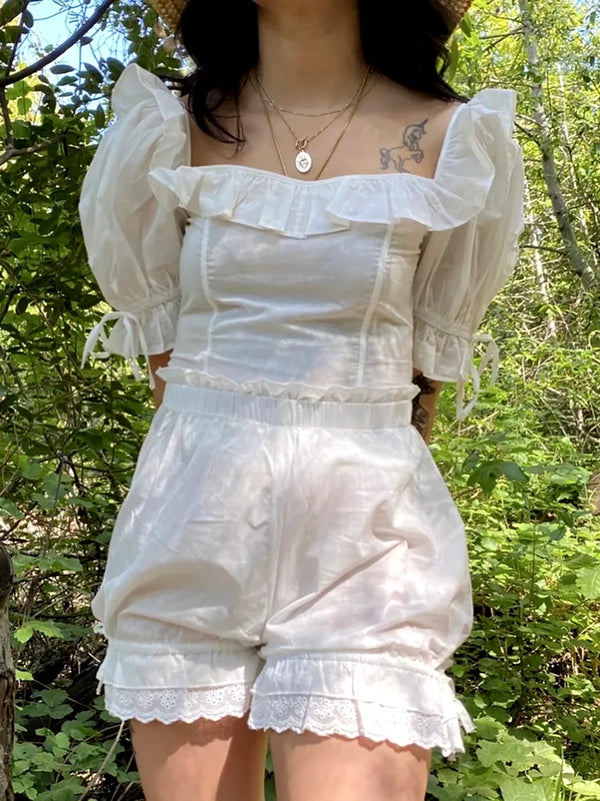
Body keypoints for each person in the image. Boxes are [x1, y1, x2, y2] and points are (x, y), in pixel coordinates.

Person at [78, 0, 525, 799]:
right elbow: (167, 364)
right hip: (192, 525)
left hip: (366, 546)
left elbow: (423, 375)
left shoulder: (454, 139)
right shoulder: (165, 130)